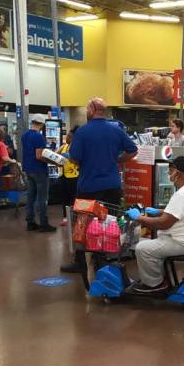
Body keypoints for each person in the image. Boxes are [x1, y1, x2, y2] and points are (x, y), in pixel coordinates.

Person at [62, 98, 138, 273]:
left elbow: (74, 157)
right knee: (109, 223)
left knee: (81, 223)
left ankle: (80, 262)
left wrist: (85, 162)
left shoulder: (83, 132)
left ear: (91, 109)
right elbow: (133, 150)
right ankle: (105, 259)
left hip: (88, 185)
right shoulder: (116, 130)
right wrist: (117, 160)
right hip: (112, 185)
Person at [132, 157, 184, 293]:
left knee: (142, 248)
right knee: (154, 245)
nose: (169, 175)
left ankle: (155, 285)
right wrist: (160, 211)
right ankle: (160, 278)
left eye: (170, 172)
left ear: (178, 173)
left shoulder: (183, 194)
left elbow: (163, 224)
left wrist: (139, 218)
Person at [21, 113, 56, 232]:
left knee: (31, 196)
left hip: (28, 169)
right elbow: (39, 156)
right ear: (41, 124)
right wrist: (54, 160)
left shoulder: (24, 135)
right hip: (39, 170)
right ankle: (44, 224)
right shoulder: (39, 137)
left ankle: (30, 222)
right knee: (42, 198)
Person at [58, 127, 78, 227]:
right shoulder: (64, 146)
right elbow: (56, 155)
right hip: (63, 175)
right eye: (67, 135)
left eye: (69, 136)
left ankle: (75, 217)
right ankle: (66, 217)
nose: (67, 137)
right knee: (64, 198)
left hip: (74, 176)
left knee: (73, 198)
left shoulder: (78, 146)